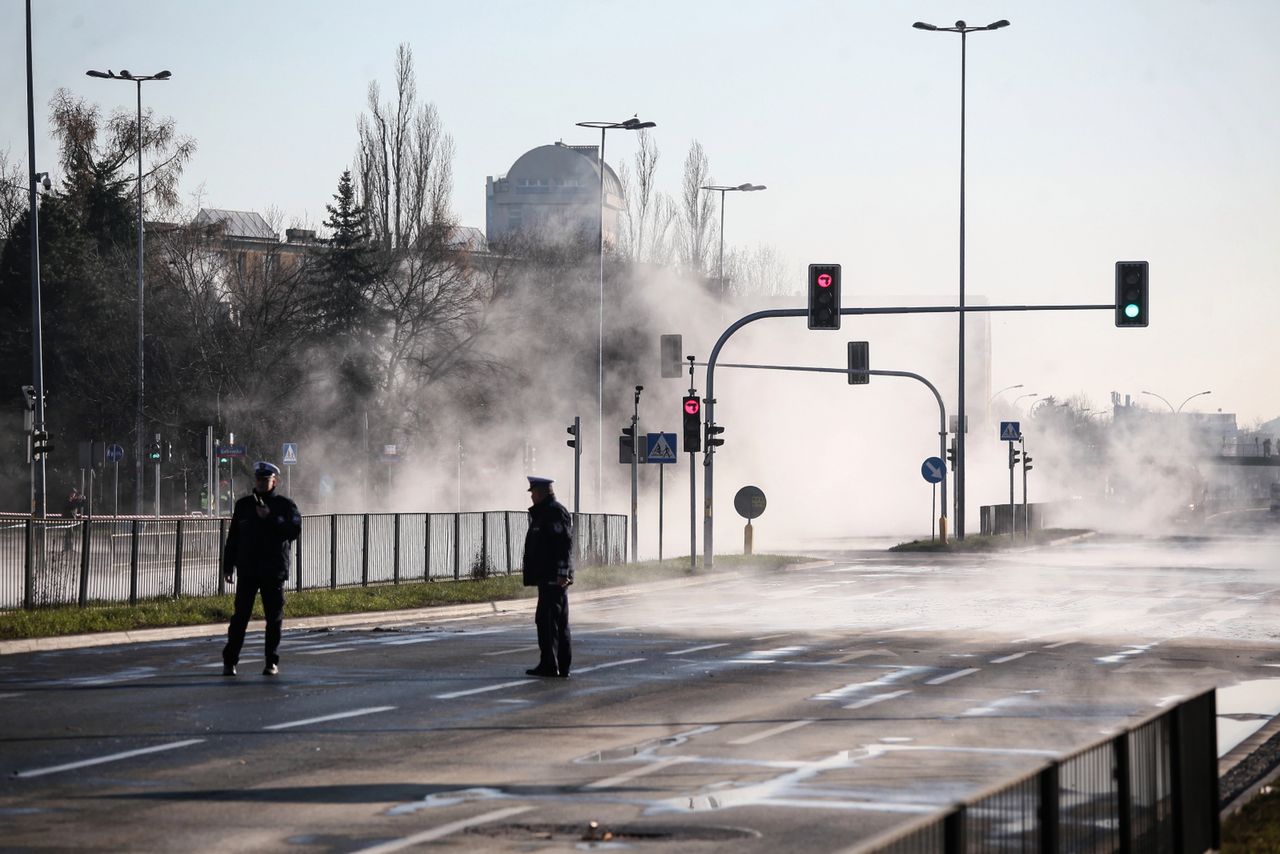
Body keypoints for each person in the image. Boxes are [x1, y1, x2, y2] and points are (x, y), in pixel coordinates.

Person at [221, 461, 301, 676]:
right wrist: (227, 566)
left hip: (273, 570)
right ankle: (230, 661)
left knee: (273, 619)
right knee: (240, 618)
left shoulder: (285, 505)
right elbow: (234, 537)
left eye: (266, 480)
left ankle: (271, 662)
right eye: (258, 479)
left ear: (274, 481)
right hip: (248, 569)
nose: (261, 483)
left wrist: (271, 518)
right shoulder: (244, 505)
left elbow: (293, 531)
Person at [521, 475, 574, 678]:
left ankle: (552, 665)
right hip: (548, 577)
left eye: (533, 493)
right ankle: (552, 663)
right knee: (548, 621)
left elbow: (564, 545)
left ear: (541, 493)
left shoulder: (553, 512)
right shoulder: (544, 513)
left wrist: (562, 572)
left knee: (550, 622)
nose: (531, 497)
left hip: (554, 577)